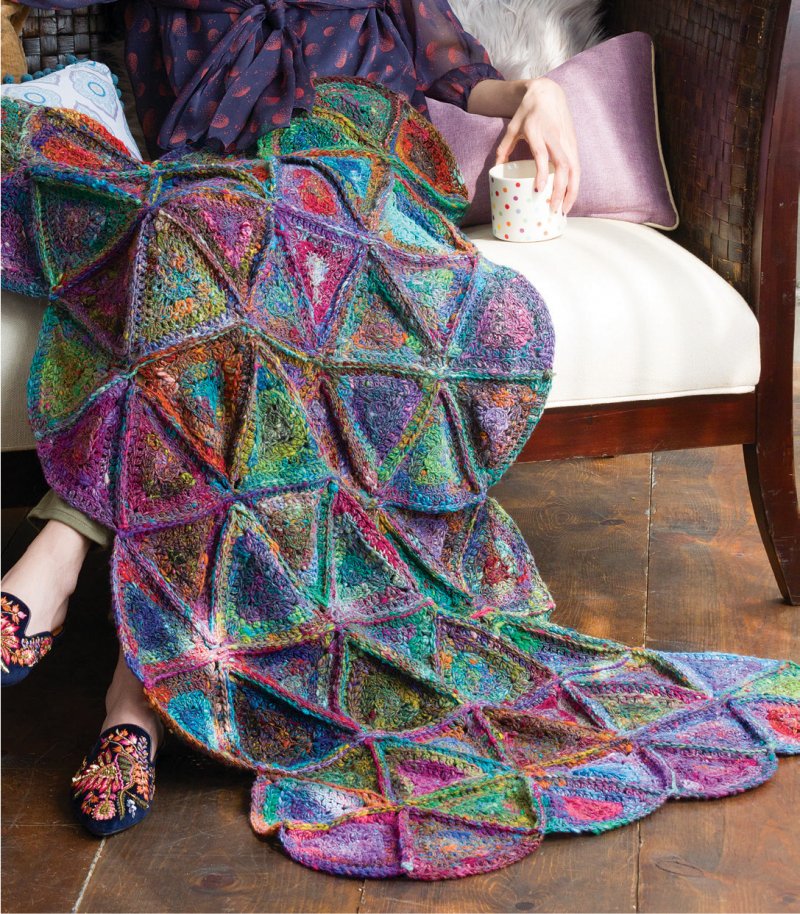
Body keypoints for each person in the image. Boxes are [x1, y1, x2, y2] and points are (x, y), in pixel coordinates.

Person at [1, 0, 579, 831]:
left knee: (223, 245)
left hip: (366, 181)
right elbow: (173, 119)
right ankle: (138, 698)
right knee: (193, 241)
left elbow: (464, 75)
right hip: (231, 186)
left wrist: (540, 91)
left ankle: (63, 569)